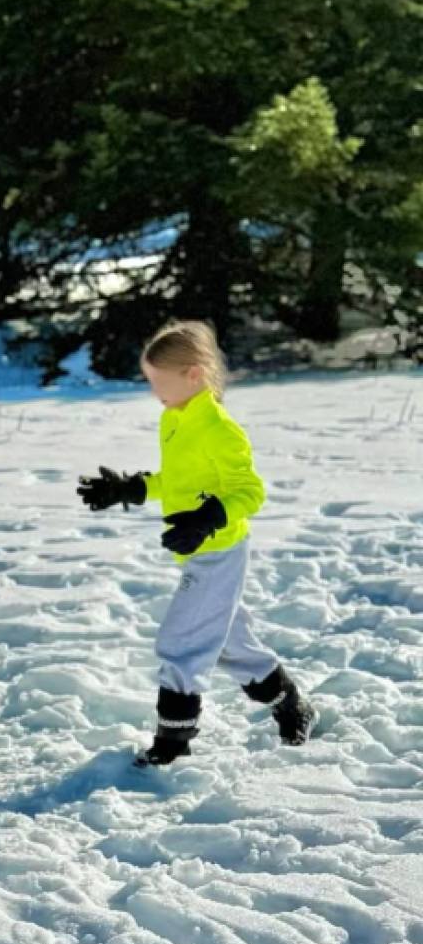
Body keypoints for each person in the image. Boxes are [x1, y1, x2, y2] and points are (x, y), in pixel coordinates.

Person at [76, 319, 315, 767]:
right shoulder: (176, 419)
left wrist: (208, 518)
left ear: (192, 375)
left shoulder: (219, 429)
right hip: (199, 550)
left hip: (220, 551)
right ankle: (291, 704)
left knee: (181, 642)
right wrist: (131, 489)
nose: (154, 393)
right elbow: (177, 481)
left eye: (158, 383)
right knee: (230, 644)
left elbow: (251, 491)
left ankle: (172, 745)